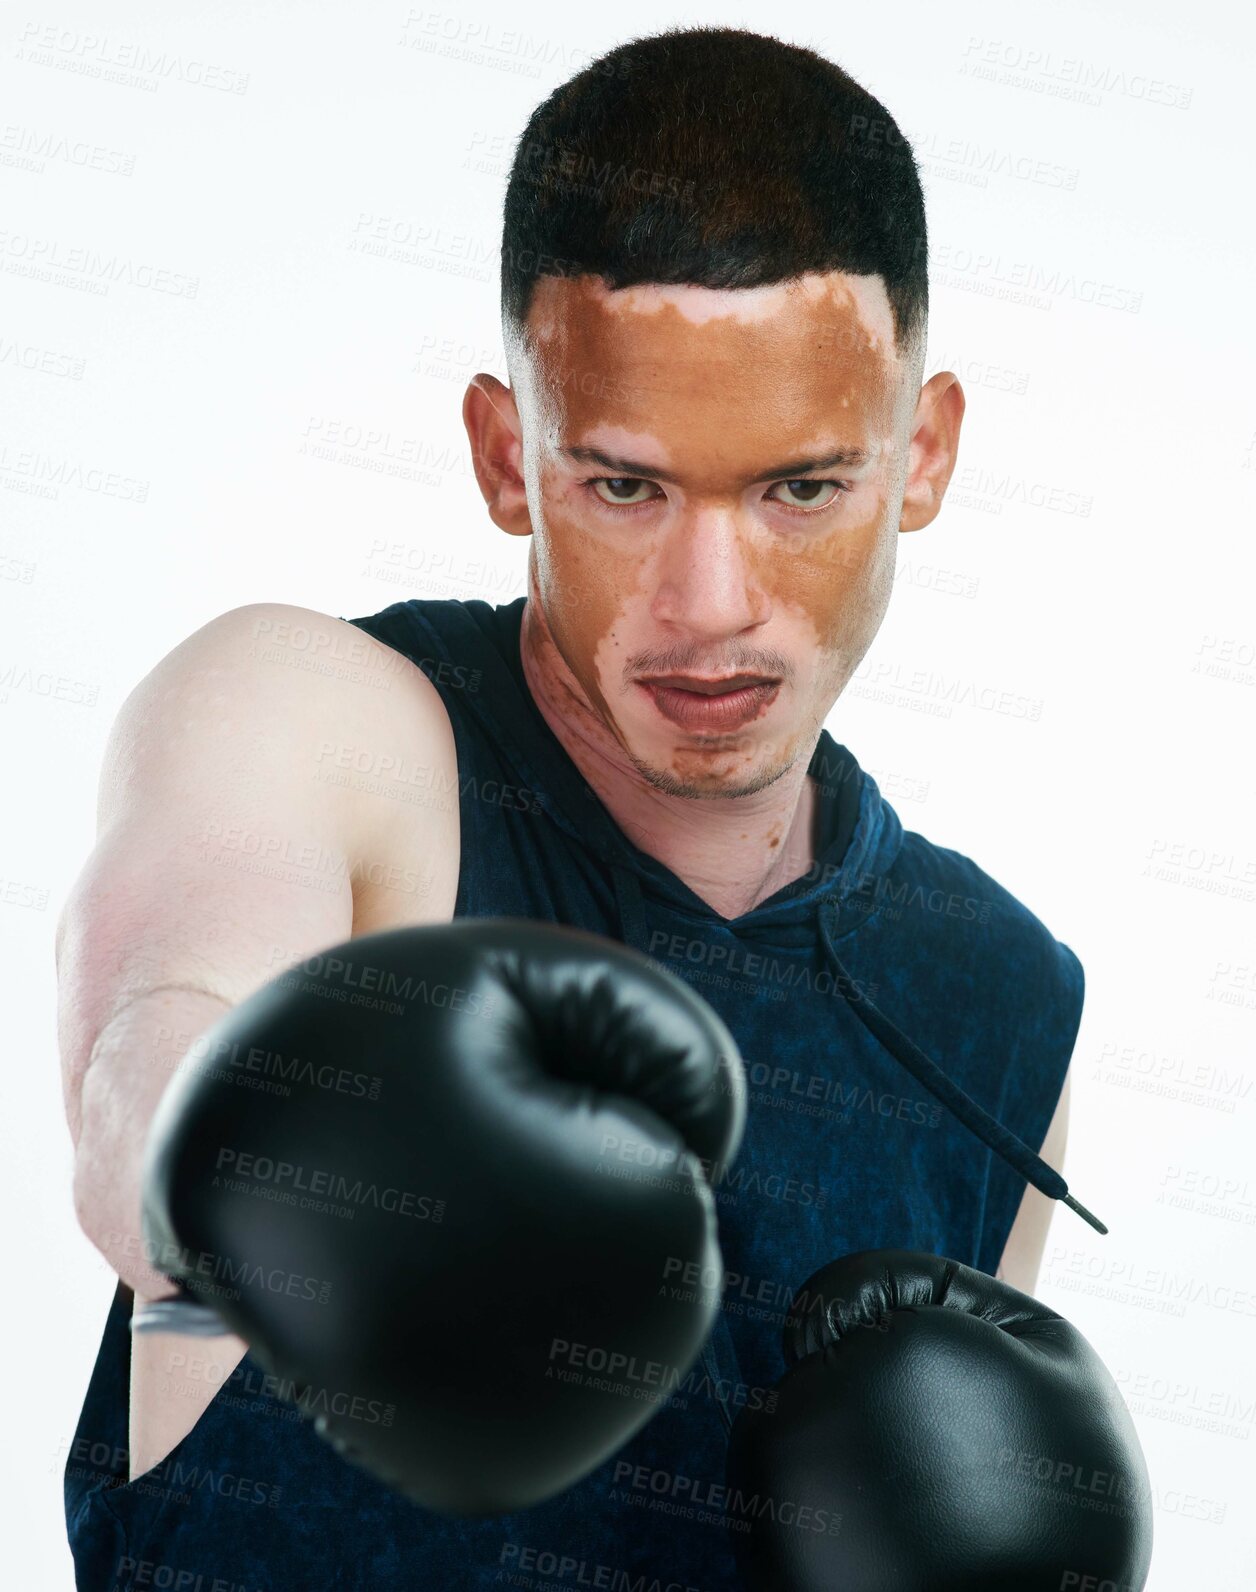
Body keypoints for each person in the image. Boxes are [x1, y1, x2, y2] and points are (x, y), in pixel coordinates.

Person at [59, 25, 1083, 1591]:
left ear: (924, 456)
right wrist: (300, 1188)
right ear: (503, 456)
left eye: (803, 488)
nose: (710, 605)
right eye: (624, 486)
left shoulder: (996, 1003)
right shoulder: (328, 728)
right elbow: (151, 1045)